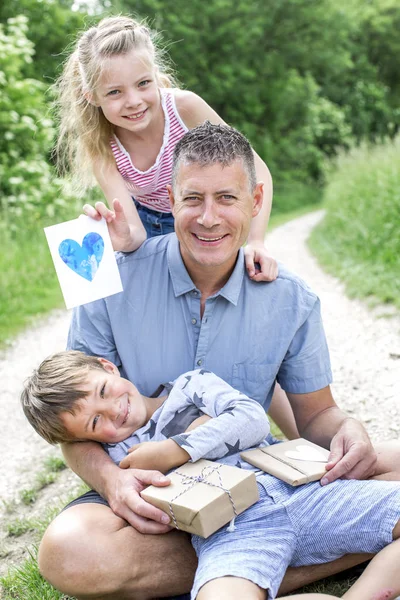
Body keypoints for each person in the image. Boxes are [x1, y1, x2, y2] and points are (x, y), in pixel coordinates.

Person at [37, 121, 400, 600]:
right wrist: (112, 483)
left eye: (227, 198)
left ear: (255, 202)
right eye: (193, 199)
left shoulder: (291, 299)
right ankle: (294, 561)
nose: (209, 218)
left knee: (383, 457)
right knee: (69, 552)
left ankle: (274, 556)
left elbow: (315, 418)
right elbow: (76, 425)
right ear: (170, 199)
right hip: (162, 495)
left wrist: (346, 428)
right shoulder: (108, 283)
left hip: (259, 471)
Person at [22, 351, 400, 600]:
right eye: (94, 422)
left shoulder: (190, 386)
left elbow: (251, 418)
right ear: (83, 440)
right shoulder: (118, 460)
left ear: (108, 366)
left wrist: (176, 449)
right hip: (229, 531)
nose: (113, 411)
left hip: (296, 487)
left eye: (103, 391)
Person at [55, 15, 276, 282]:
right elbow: (135, 232)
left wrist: (256, 241)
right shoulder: (101, 145)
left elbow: (258, 171)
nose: (133, 101)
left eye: (143, 84)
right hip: (148, 228)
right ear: (92, 97)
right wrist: (124, 237)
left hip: (201, 218)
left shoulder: (185, 109)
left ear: (155, 77)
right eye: (115, 92)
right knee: (150, 303)